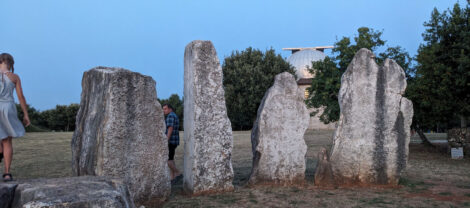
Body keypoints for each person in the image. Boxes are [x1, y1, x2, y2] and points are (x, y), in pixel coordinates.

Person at [0, 53, 30, 182]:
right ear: (10, 64)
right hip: (9, 108)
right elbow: (20, 96)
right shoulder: (14, 77)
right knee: (7, 141)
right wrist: (26, 114)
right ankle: (7, 173)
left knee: (2, 140)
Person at [162, 104, 182, 184]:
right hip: (175, 141)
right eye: (163, 109)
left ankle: (178, 173)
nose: (164, 111)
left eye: (165, 109)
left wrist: (166, 139)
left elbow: (170, 128)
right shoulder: (175, 115)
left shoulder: (170, 116)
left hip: (170, 141)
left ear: (170, 109)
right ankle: (172, 178)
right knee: (171, 159)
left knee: (167, 160)